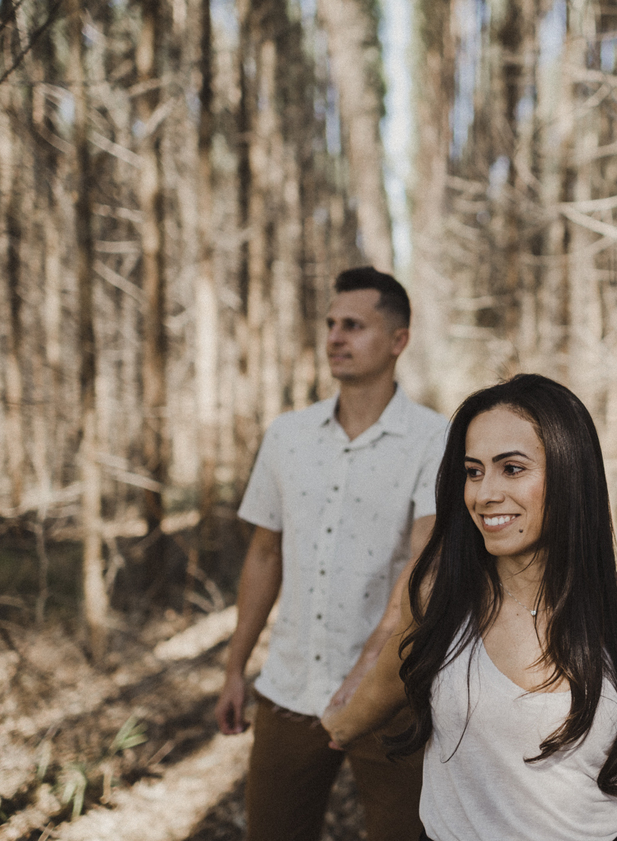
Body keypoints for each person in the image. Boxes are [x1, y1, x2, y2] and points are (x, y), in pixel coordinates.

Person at [322, 374, 617, 841]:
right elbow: (389, 679)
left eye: (513, 468)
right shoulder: (436, 594)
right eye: (473, 471)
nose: (484, 494)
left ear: (569, 474)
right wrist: (337, 727)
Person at [216, 267, 447, 841]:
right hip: (289, 688)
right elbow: (265, 554)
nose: (335, 338)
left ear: (398, 340)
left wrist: (367, 674)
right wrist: (234, 666)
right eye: (330, 324)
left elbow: (427, 567)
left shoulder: (435, 438)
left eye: (354, 325)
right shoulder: (287, 436)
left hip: (391, 692)